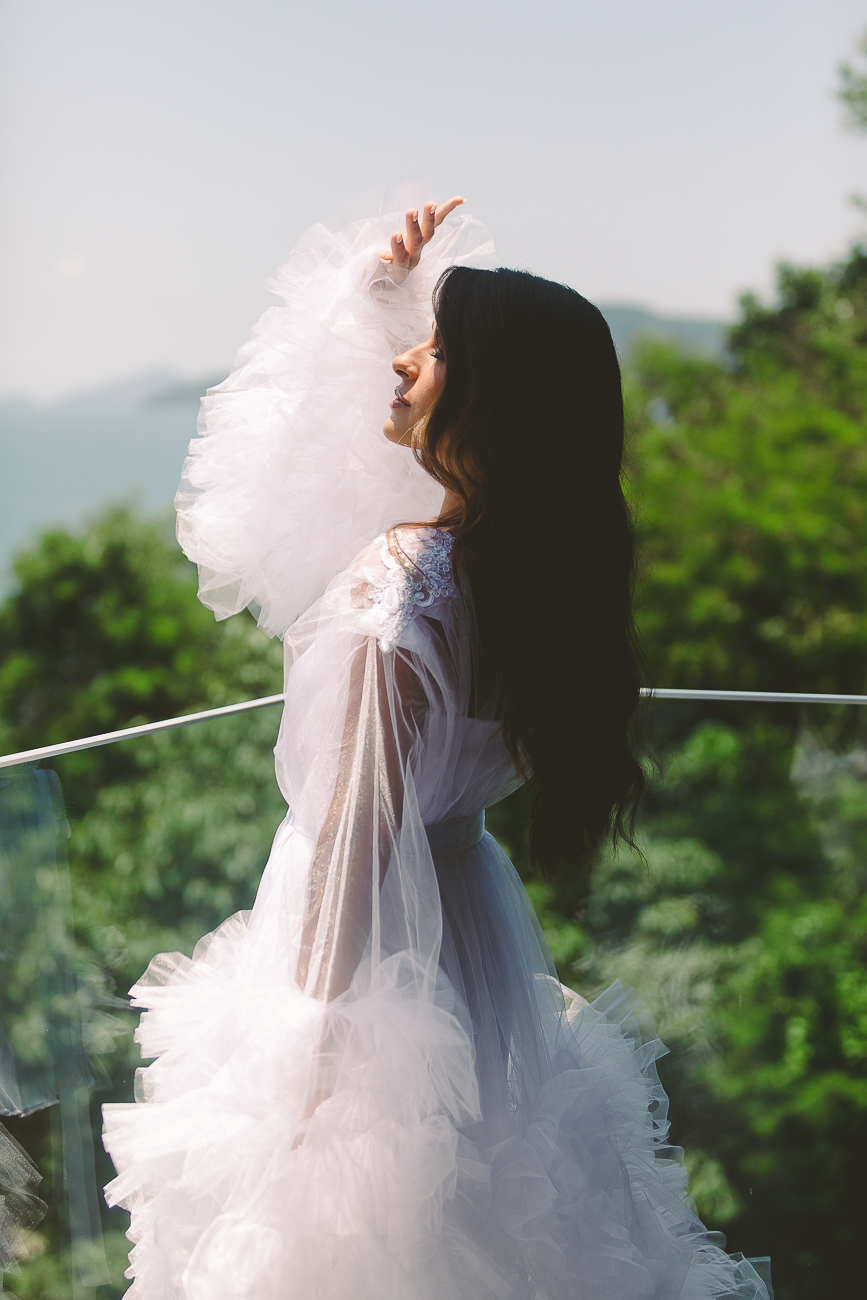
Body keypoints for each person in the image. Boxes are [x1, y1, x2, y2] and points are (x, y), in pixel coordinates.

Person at [102, 188, 770, 1300]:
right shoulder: (534, 582)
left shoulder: (400, 584)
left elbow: (359, 839)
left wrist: (304, 1069)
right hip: (471, 939)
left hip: (362, 958)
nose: (408, 359)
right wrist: (378, 303)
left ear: (494, 403)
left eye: (436, 347)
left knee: (360, 1240)